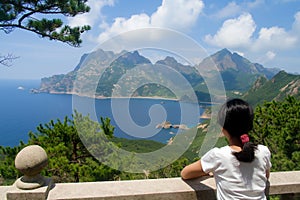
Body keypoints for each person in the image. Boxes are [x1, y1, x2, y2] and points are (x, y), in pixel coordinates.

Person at [181, 98, 272, 200]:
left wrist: (211, 170)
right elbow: (265, 175)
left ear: (223, 129)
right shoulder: (263, 151)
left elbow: (185, 173)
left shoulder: (218, 155)